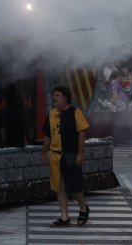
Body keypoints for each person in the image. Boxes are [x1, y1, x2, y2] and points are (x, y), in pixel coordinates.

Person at [41, 85, 90, 227]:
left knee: (75, 187)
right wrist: (44, 152)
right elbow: (48, 135)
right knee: (60, 187)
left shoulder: (75, 112)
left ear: (65, 97)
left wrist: (80, 153)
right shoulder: (51, 114)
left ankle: (83, 207)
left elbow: (82, 133)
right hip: (56, 155)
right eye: (54, 95)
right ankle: (64, 217)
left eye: (57, 95)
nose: (54, 98)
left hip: (71, 155)